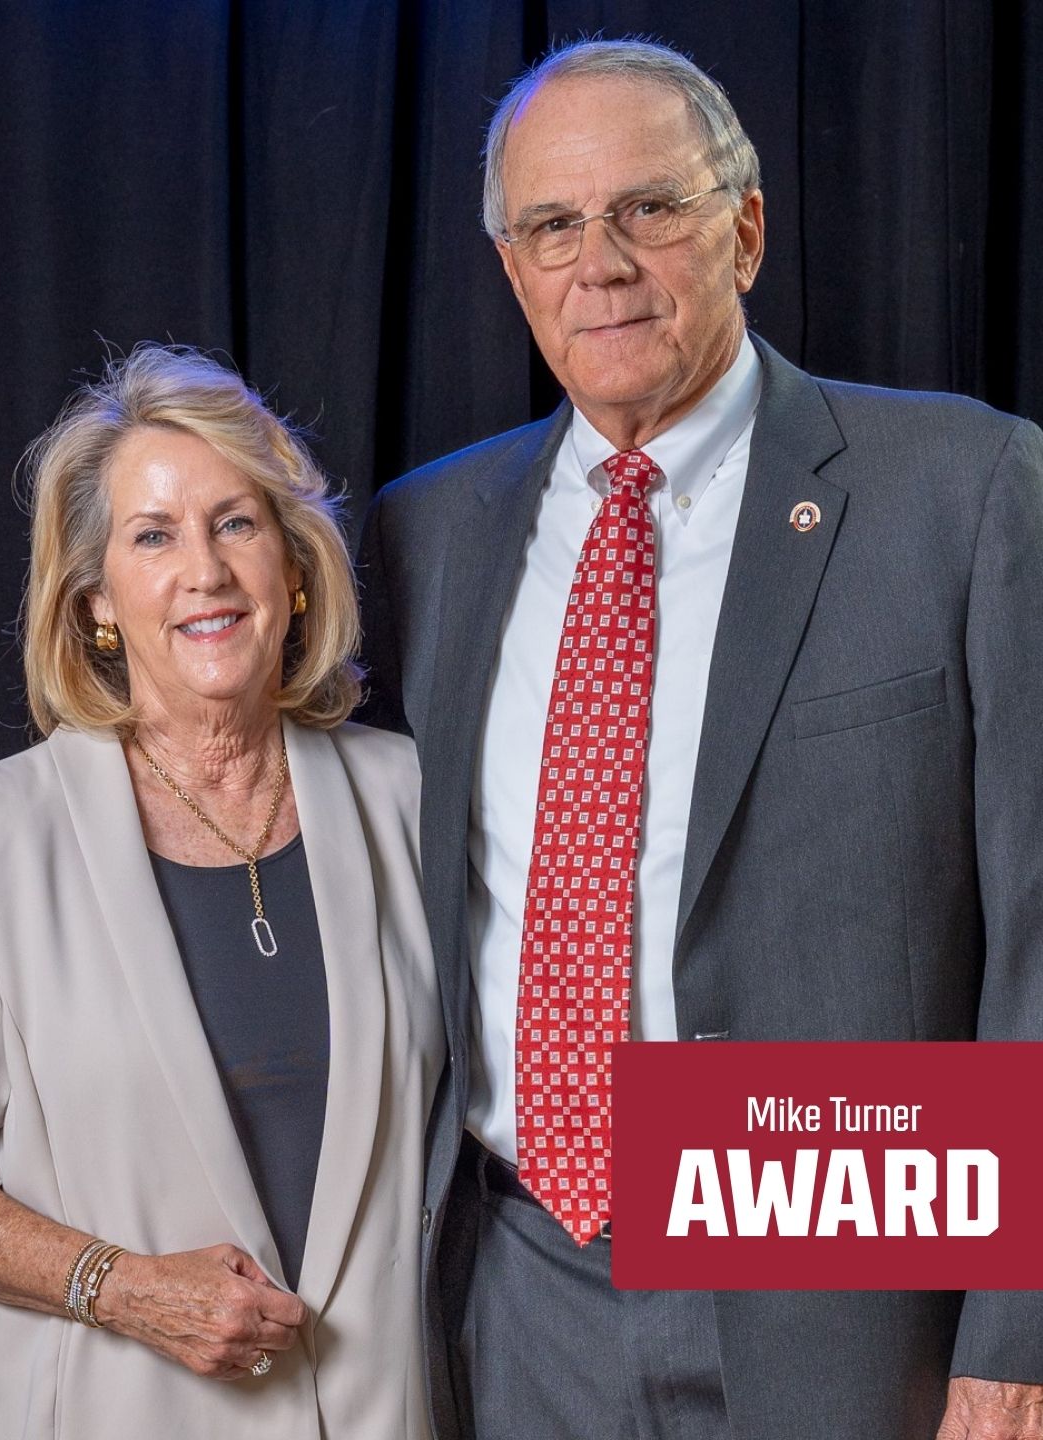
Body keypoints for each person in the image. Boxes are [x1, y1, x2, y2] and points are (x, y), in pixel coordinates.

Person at [356, 37, 1043, 1440]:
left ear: (747, 229)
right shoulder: (426, 534)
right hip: (520, 1282)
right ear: (511, 269)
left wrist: (1017, 1329)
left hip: (846, 1266)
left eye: (649, 208)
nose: (600, 263)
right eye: (554, 224)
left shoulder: (967, 490)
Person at [0, 345, 442, 1439]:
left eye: (236, 523)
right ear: (97, 600)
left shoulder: (413, 798)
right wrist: (118, 1286)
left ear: (295, 566)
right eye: (153, 536)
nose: (206, 571)